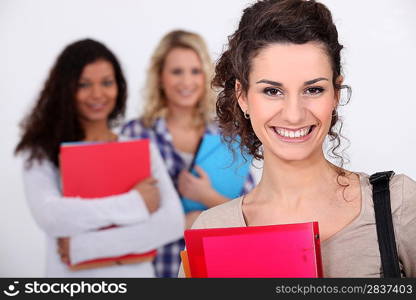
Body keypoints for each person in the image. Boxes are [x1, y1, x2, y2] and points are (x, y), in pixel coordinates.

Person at [180, 0, 416, 277]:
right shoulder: (212, 230)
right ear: (242, 96)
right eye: (272, 91)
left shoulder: (396, 203)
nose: (294, 115)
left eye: (313, 90)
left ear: (336, 94)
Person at [15, 38, 184, 277]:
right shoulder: (42, 152)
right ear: (66, 89)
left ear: (119, 87)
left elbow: (172, 223)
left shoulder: (139, 149)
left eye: (107, 82)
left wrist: (84, 247)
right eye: (84, 84)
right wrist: (135, 203)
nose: (97, 94)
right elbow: (52, 216)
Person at [121, 30, 256, 277]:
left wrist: (207, 197)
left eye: (195, 71)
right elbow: (122, 215)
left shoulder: (229, 133)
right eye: (176, 72)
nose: (186, 81)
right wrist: (177, 225)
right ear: (160, 77)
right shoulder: (137, 133)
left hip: (216, 266)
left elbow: (254, 215)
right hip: (153, 269)